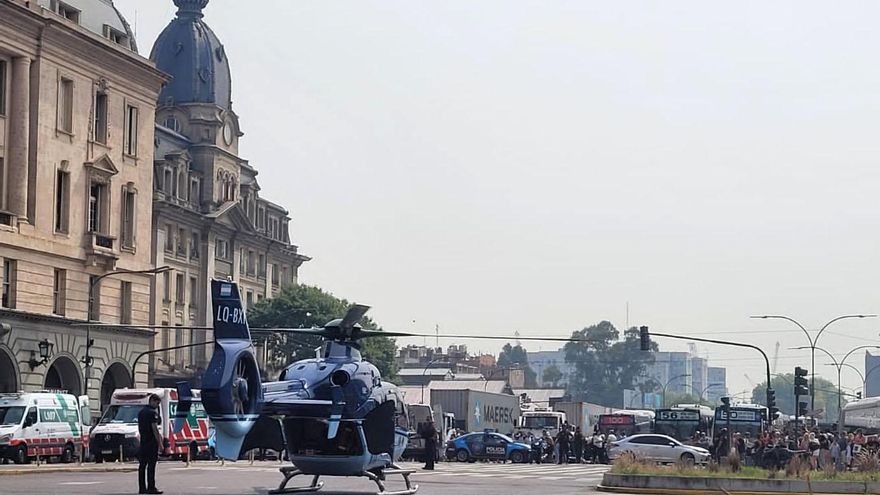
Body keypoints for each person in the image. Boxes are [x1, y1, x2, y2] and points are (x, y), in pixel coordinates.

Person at [137, 394, 163, 495]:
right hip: (151, 443)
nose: (157, 405)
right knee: (151, 466)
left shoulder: (141, 412)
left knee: (142, 466)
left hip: (143, 442)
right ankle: (151, 487)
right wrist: (160, 443)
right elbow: (155, 429)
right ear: (152, 401)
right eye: (157, 403)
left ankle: (142, 488)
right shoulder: (152, 413)